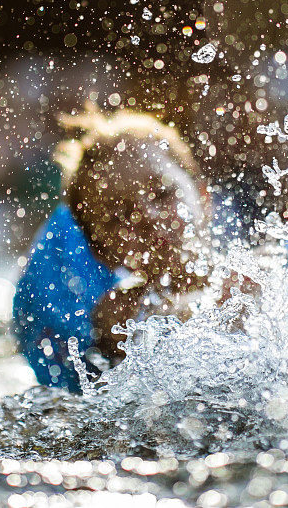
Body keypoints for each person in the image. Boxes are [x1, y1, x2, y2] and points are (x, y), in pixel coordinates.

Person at [12, 107, 212, 391]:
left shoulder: (261, 267)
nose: (148, 217)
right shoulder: (118, 316)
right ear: (103, 253)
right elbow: (186, 320)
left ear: (203, 198)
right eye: (119, 217)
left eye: (163, 193)